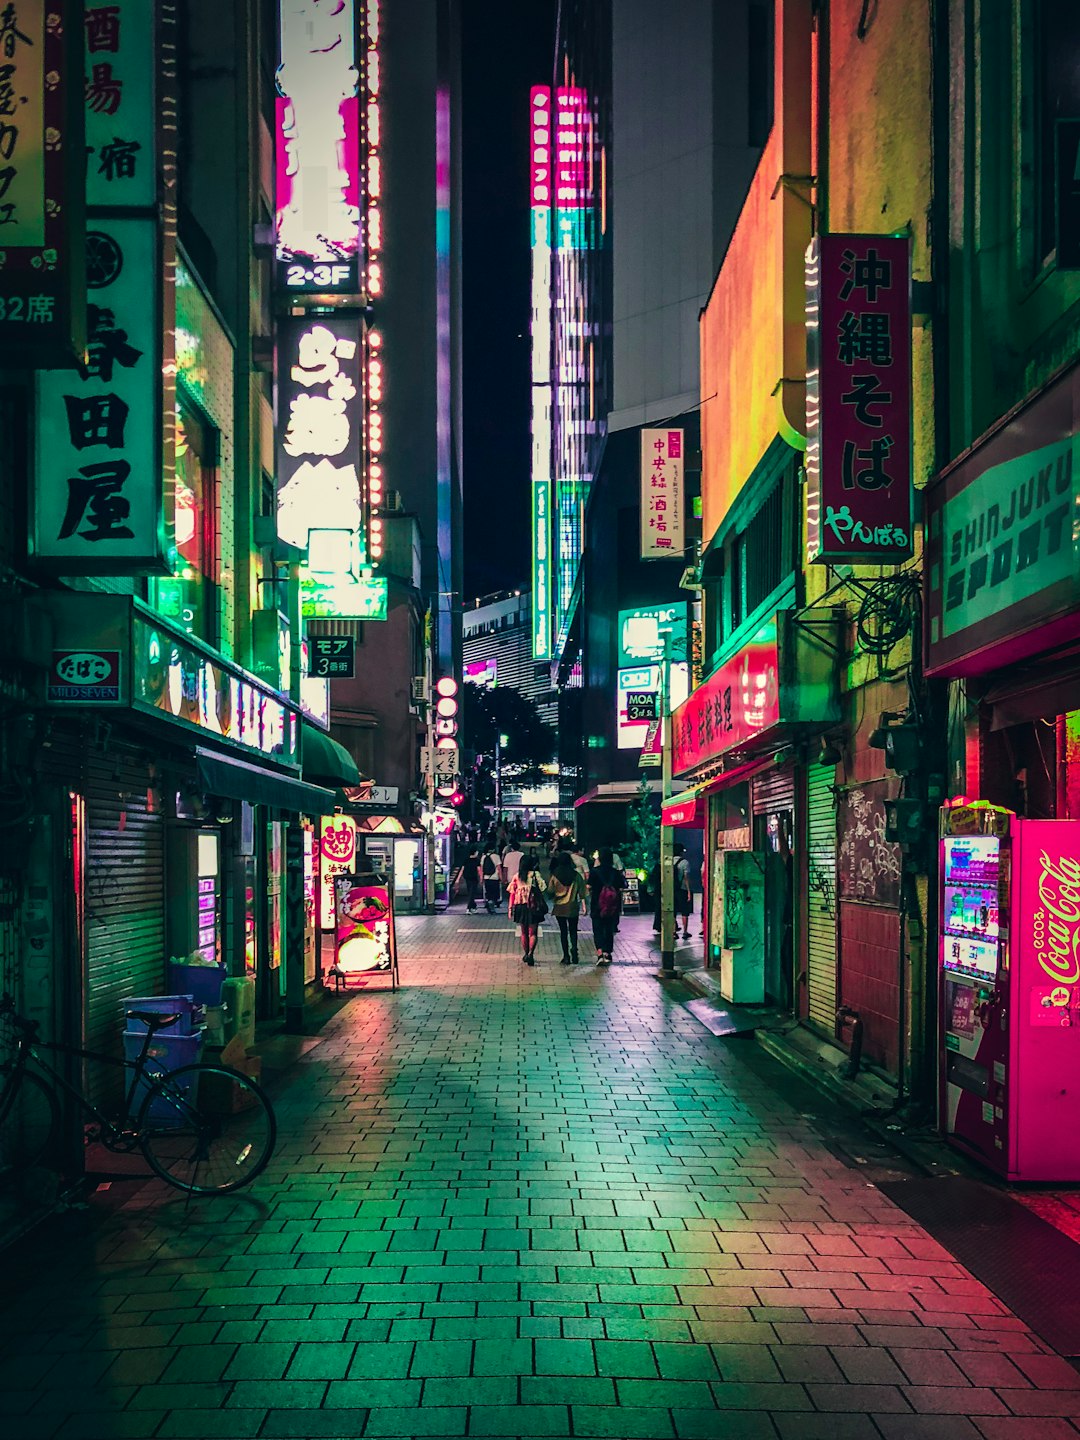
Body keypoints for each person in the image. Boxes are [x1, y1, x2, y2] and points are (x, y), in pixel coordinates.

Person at [547, 848, 586, 964]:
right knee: (573, 930)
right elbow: (582, 892)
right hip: (573, 905)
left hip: (559, 907)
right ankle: (574, 949)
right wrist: (584, 905)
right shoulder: (576, 875)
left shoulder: (555, 875)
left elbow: (550, 891)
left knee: (563, 931)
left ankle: (566, 956)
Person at [588, 847, 625, 966]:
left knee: (597, 929)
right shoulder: (615, 872)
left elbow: (588, 886)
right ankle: (607, 953)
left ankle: (599, 954)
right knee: (609, 929)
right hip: (612, 906)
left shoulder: (594, 871)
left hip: (597, 905)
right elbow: (622, 885)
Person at [507, 855, 546, 965]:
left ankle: (525, 953)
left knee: (523, 932)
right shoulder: (535, 875)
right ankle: (531, 954)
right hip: (533, 907)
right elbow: (543, 888)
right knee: (533, 932)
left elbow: (512, 894)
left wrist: (510, 909)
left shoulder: (517, 876)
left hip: (520, 907)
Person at [673, 843, 693, 940]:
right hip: (682, 889)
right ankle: (685, 931)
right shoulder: (685, 862)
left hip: (671, 889)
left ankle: (673, 931)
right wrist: (689, 891)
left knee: (673, 910)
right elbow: (686, 878)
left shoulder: (668, 861)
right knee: (684, 911)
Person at [481, 844, 502, 913]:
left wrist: (481, 878)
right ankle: (492, 906)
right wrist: (501, 878)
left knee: (488, 893)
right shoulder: (496, 856)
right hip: (494, 878)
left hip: (486, 878)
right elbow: (499, 868)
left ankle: (489, 903)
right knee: (494, 893)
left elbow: (482, 869)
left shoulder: (483, 857)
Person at [462, 847, 481, 913]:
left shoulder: (466, 859)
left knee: (470, 892)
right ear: (475, 852)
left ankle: (473, 907)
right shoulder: (477, 860)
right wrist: (481, 877)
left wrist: (458, 879)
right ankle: (469, 908)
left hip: (467, 878)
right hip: (474, 878)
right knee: (472, 893)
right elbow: (479, 870)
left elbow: (462, 869)